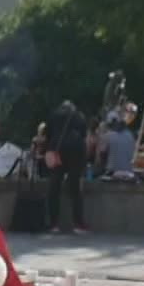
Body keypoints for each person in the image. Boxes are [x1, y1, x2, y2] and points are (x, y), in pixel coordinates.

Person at [44, 100, 91, 234]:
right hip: (76, 152)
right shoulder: (79, 116)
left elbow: (48, 135)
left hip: (57, 150)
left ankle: (53, 224)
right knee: (75, 187)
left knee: (54, 187)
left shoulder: (53, 115)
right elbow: (83, 134)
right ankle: (78, 224)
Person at [98, 101, 139, 179]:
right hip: (129, 173)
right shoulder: (130, 135)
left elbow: (102, 156)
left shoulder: (107, 136)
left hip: (112, 172)